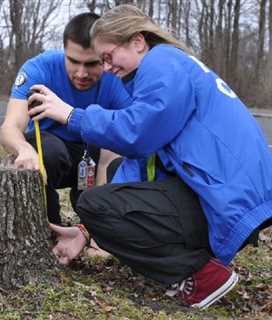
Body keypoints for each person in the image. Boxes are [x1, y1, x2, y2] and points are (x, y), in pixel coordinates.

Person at [27, 4, 272, 309]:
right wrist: (86, 232)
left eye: (108, 56)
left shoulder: (162, 62)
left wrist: (73, 116)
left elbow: (137, 133)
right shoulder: (170, 67)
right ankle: (199, 262)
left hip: (228, 198)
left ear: (138, 41)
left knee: (94, 202)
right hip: (228, 194)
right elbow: (143, 158)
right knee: (112, 183)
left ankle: (203, 275)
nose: (105, 68)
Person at [0, 12, 131, 225]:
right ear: (64, 51)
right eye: (73, 61)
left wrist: (92, 222)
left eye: (91, 64)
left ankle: (90, 224)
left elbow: (122, 141)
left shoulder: (117, 76)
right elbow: (9, 128)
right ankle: (47, 225)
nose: (81, 73)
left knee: (117, 163)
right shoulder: (38, 68)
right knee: (49, 153)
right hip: (48, 150)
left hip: (92, 153)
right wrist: (23, 149)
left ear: (105, 58)